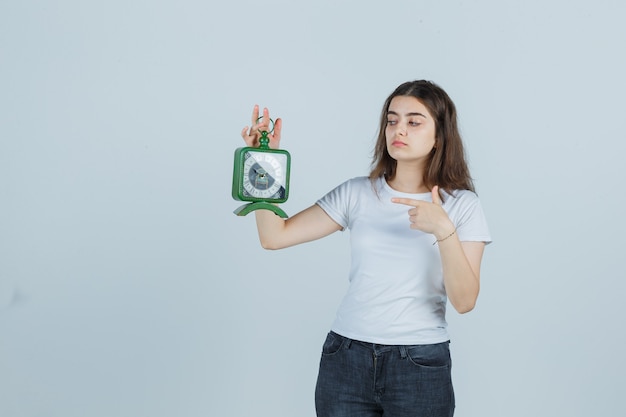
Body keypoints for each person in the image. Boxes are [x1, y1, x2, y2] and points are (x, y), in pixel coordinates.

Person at [240, 80, 491, 417]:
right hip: (346, 357)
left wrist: (443, 230)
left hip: (418, 363)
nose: (398, 129)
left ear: (439, 137)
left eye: (414, 122)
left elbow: (465, 301)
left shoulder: (462, 205)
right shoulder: (357, 193)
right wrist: (262, 162)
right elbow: (275, 237)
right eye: (392, 120)